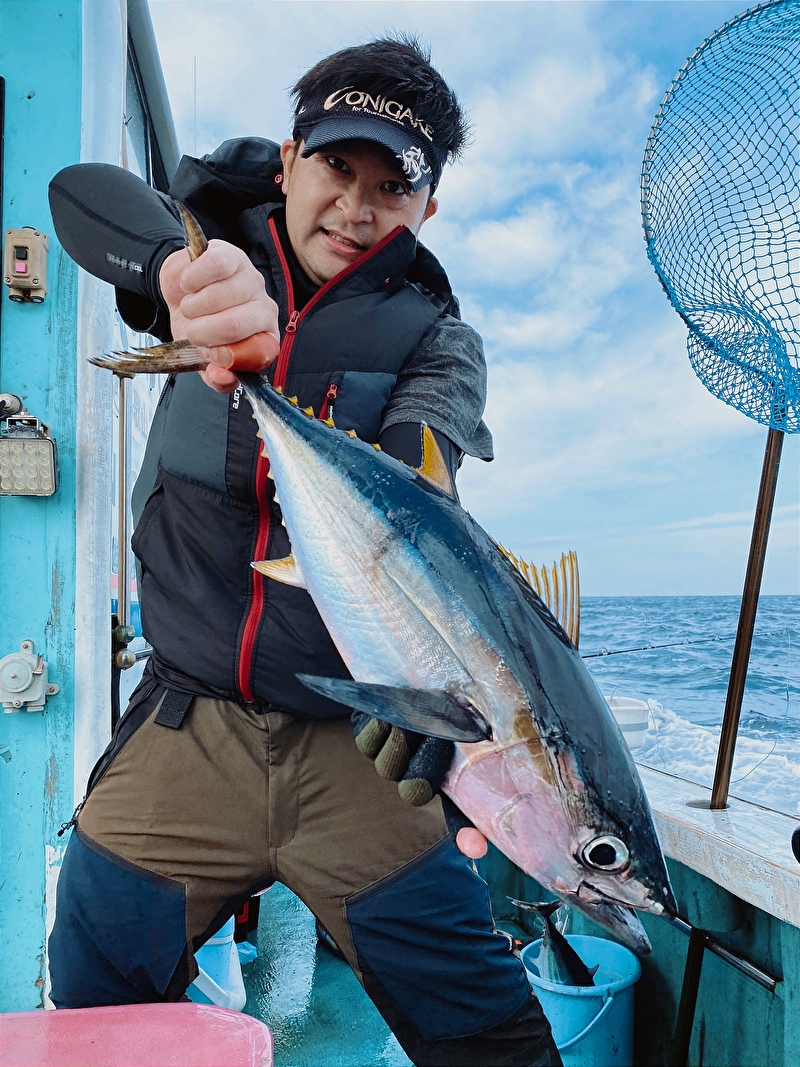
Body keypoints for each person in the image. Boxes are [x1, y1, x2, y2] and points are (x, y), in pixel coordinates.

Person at [47, 37, 561, 1067]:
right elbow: (79, 193)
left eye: (392, 186)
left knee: (493, 1037)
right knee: (93, 1004)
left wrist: (438, 698)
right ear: (288, 162)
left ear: (427, 208)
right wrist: (178, 272)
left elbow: (424, 477)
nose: (355, 208)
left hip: (360, 750)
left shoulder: (435, 338)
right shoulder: (209, 250)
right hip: (190, 725)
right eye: (335, 167)